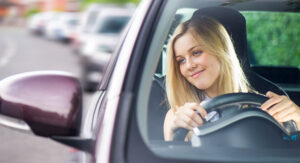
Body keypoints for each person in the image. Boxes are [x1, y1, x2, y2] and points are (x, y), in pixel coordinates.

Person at [163, 15, 300, 141]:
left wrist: (298, 119)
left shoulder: (269, 107)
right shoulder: (178, 116)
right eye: (181, 61)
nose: (189, 66)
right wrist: (172, 135)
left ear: (221, 50)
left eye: (196, 52)